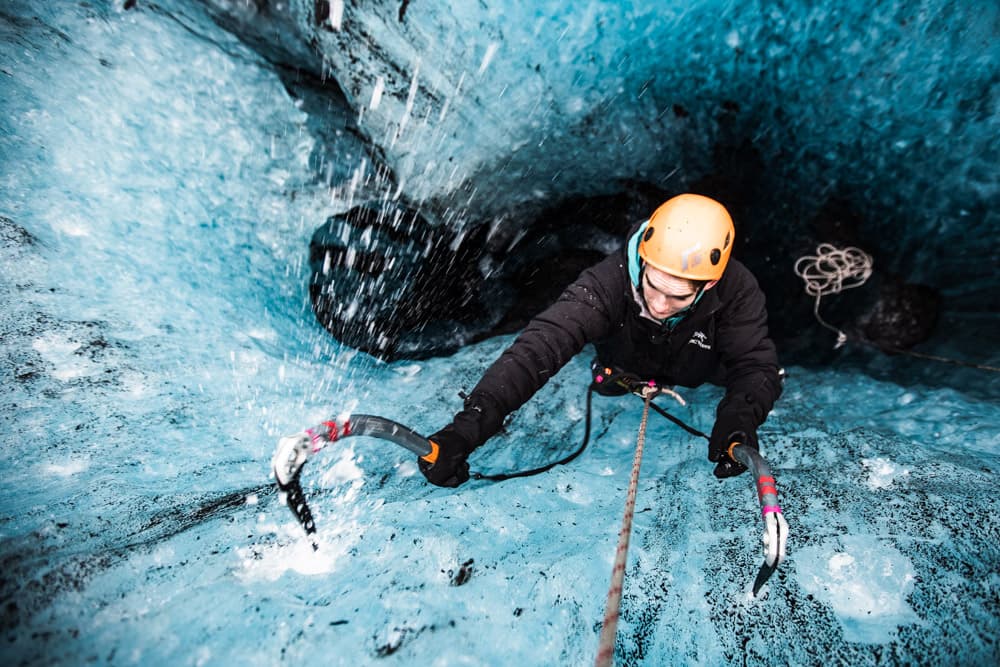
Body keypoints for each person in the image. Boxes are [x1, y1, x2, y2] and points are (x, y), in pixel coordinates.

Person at [418, 193, 783, 487]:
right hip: (625, 361)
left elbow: (754, 363)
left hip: (698, 365)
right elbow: (539, 347)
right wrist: (467, 429)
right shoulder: (606, 282)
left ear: (710, 284)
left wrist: (739, 419)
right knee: (610, 378)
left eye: (678, 298)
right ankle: (617, 375)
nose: (658, 305)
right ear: (642, 259)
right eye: (652, 286)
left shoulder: (738, 291)